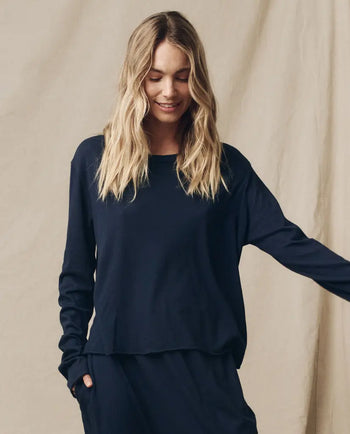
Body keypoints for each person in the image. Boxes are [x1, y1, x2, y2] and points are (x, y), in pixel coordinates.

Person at [57, 10, 350, 434]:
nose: (168, 91)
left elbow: (293, 245)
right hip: (115, 374)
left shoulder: (226, 169)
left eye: (182, 76)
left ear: (198, 80)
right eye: (155, 76)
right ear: (136, 76)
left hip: (204, 370)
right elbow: (77, 270)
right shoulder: (95, 161)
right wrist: (73, 360)